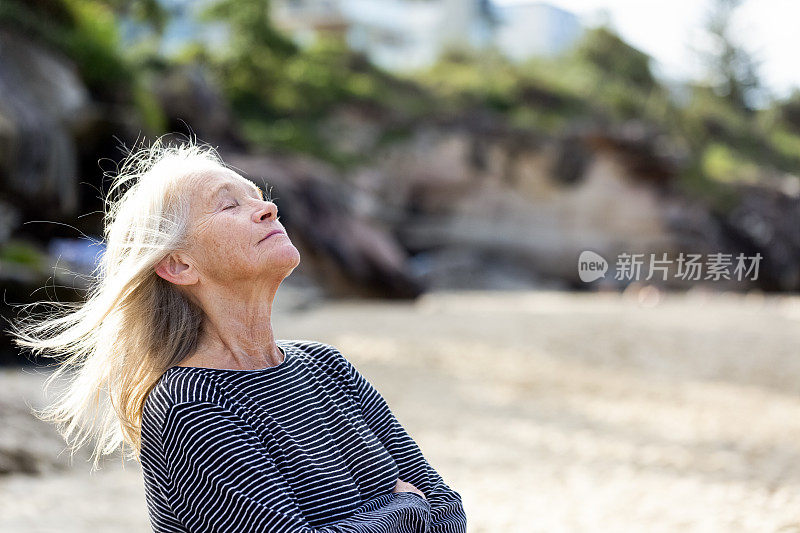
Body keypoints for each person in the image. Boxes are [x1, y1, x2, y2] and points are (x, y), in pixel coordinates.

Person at [8, 136, 467, 532]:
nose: (267, 208)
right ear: (178, 265)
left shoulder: (327, 367)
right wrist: (406, 508)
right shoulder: (190, 405)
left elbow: (452, 512)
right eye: (230, 205)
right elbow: (428, 509)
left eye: (258, 197)